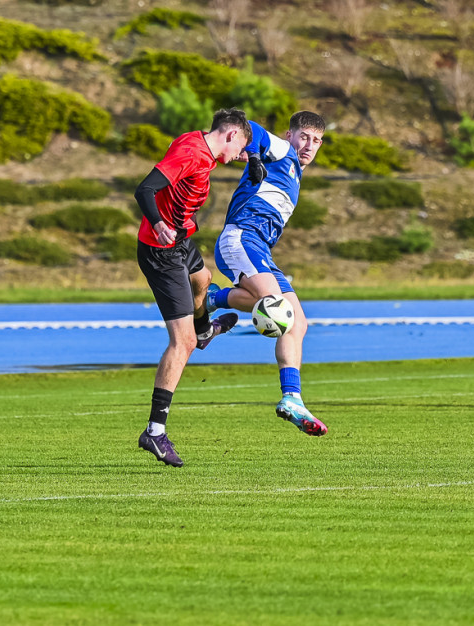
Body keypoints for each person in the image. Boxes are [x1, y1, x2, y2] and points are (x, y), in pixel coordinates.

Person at [134, 108, 250, 467]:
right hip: (162, 253)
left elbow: (223, 150)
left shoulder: (202, 143)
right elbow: (145, 189)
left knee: (203, 279)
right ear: (231, 134)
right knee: (180, 342)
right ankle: (155, 431)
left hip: (182, 244)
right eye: (240, 147)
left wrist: (247, 155)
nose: (239, 156)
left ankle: (204, 331)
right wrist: (158, 223)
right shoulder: (191, 153)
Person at [207, 111, 329, 437]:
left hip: (261, 249)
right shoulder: (283, 152)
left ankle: (292, 399)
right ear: (290, 135)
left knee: (297, 322)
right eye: (304, 137)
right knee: (276, 306)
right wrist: (254, 153)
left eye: (316, 140)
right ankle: (212, 301)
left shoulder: (295, 174)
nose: (309, 145)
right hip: (242, 238)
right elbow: (252, 129)